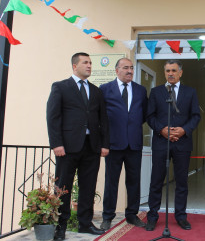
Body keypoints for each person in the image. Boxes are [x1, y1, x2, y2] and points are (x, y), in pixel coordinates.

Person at [46, 52, 110, 240]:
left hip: (91, 147)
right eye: (85, 63)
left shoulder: (96, 91)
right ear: (75, 66)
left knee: (88, 187)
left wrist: (105, 144)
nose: (89, 65)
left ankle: (85, 223)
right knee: (62, 188)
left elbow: (103, 120)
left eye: (90, 63)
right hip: (67, 148)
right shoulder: (60, 87)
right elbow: (53, 117)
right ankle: (61, 226)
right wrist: (56, 143)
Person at [145, 59, 201, 231]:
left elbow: (196, 116)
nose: (170, 73)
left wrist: (183, 130)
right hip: (161, 143)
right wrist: (162, 129)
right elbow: (150, 116)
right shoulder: (155, 92)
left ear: (180, 72)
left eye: (174, 70)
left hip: (182, 143)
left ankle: (181, 216)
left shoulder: (190, 92)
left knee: (182, 182)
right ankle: (153, 216)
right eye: (168, 70)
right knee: (156, 181)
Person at [99, 58, 148, 230]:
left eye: (131, 68)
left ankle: (132, 215)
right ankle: (107, 217)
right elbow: (101, 118)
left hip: (134, 144)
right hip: (113, 145)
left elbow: (143, 116)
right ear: (116, 70)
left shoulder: (141, 90)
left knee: (134, 181)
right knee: (111, 182)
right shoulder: (105, 89)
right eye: (125, 68)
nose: (129, 71)